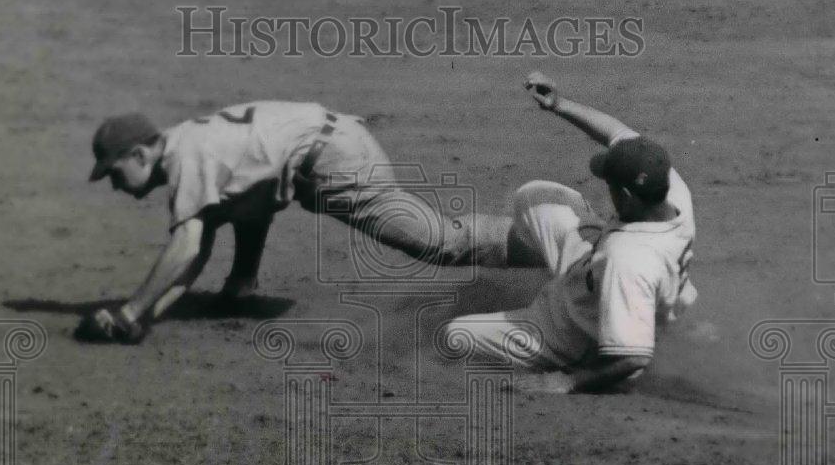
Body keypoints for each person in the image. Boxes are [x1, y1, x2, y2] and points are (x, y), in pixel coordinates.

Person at [75, 100, 512, 343]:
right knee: (238, 203)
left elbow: (188, 248)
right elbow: (233, 215)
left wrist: (129, 312)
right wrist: (147, 316)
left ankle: (553, 236)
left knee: (440, 244)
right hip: (328, 141)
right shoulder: (188, 142)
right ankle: (241, 284)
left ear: (139, 155)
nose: (115, 185)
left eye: (114, 173)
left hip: (335, 159)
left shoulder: (185, 157)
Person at [438, 71, 698, 393]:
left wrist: (566, 381)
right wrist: (560, 104)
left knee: (454, 335)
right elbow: (616, 133)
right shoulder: (672, 192)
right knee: (534, 196)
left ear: (628, 197)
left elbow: (631, 360)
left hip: (575, 331)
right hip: (595, 268)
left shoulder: (628, 261)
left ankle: (560, 357)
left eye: (611, 185)